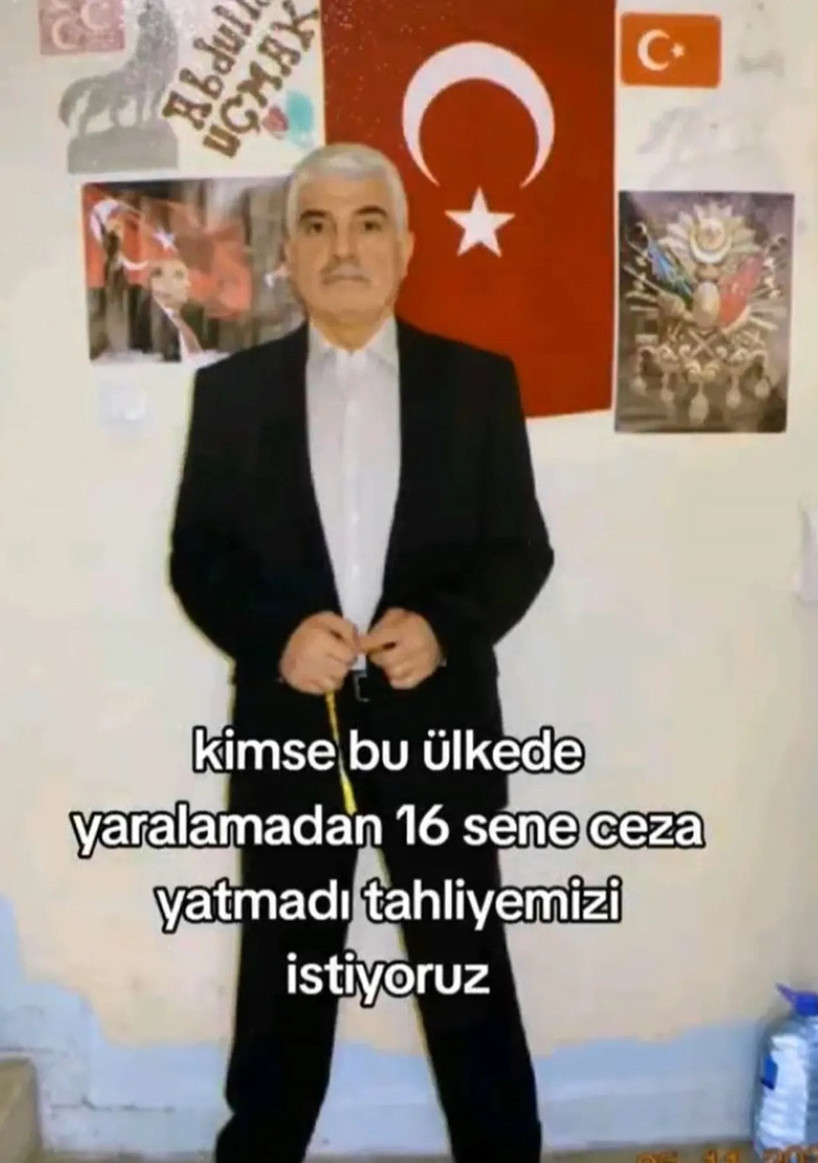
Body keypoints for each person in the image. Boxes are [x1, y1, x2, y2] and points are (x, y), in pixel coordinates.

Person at [168, 141, 554, 1163]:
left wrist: (445, 628)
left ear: (406, 246)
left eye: (368, 223)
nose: (344, 248)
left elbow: (520, 548)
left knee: (465, 978)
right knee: (282, 984)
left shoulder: (477, 385)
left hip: (441, 732)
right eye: (318, 225)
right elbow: (197, 558)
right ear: (288, 252)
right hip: (288, 734)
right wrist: (275, 638)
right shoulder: (233, 394)